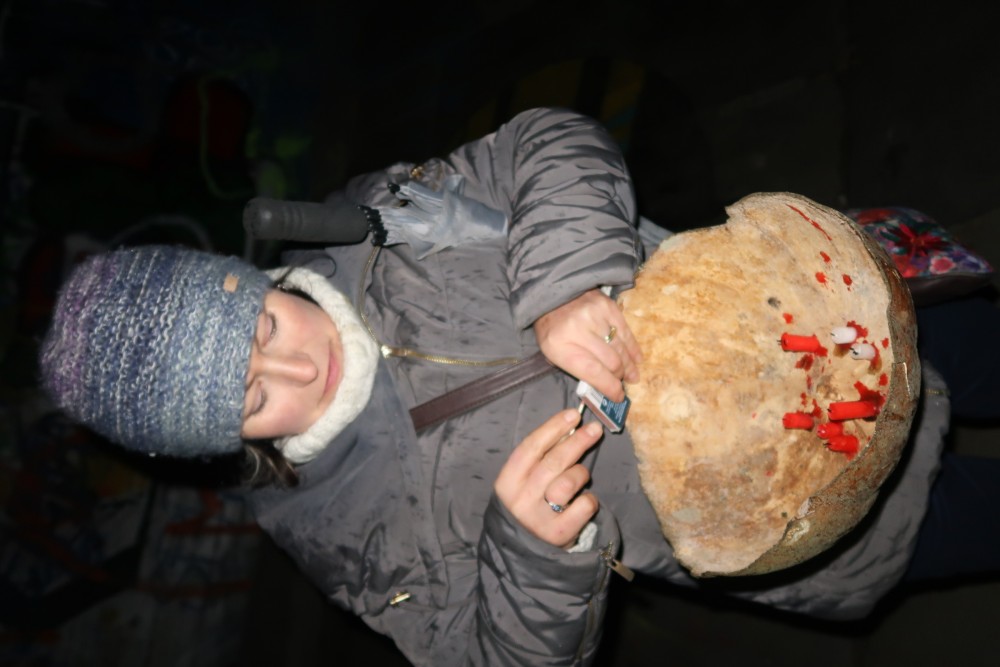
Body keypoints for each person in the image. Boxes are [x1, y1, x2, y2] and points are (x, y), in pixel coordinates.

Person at [40, 107, 952, 665]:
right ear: (228, 441)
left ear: (253, 282)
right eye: (251, 398)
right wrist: (532, 553)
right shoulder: (330, 529)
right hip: (838, 525)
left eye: (266, 329)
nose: (300, 369)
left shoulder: (377, 223)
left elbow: (552, 141)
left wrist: (563, 282)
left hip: (833, 333)